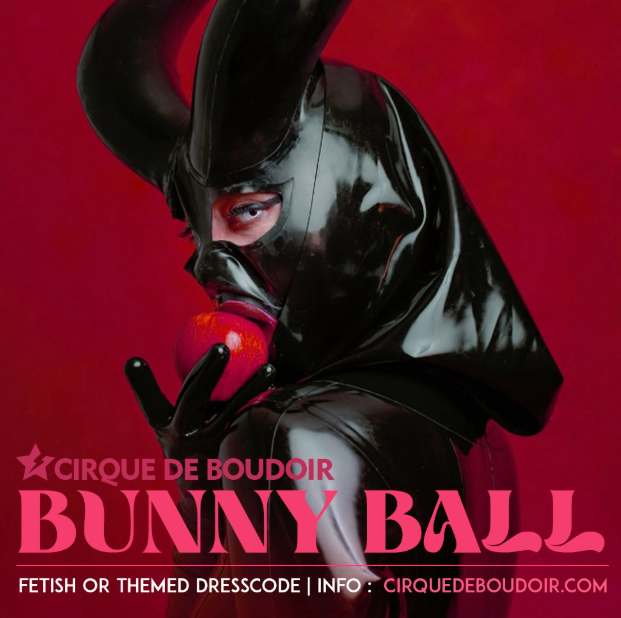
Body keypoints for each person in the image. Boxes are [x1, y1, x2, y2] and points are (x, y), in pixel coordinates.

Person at [78, 1, 562, 616]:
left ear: (365, 208)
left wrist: (250, 463)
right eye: (195, 233)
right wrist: (206, 491)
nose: (205, 266)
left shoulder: (289, 433)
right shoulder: (475, 433)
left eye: (248, 210)